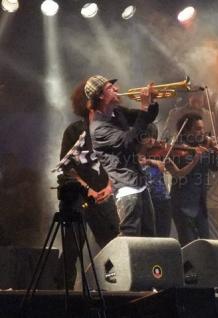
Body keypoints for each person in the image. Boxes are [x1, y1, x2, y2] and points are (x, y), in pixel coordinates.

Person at [55, 80, 120, 289]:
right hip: (78, 195)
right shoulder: (74, 131)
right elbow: (66, 169)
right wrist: (87, 189)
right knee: (72, 248)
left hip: (103, 194)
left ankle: (116, 291)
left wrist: (109, 187)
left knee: (113, 246)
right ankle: (62, 294)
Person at [87, 75, 158, 237]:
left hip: (139, 183)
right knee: (130, 240)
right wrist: (144, 105)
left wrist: (151, 102)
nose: (117, 89)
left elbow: (145, 119)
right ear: (100, 95)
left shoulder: (117, 112)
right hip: (126, 188)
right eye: (110, 88)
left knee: (150, 238)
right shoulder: (99, 128)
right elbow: (130, 143)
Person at [170, 113, 218, 246]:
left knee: (204, 244)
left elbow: (215, 165)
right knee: (188, 246)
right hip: (182, 205)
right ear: (187, 130)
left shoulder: (202, 148)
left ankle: (201, 267)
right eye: (198, 129)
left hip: (199, 206)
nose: (202, 132)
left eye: (202, 128)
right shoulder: (179, 148)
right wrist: (202, 152)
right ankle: (188, 267)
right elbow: (181, 173)